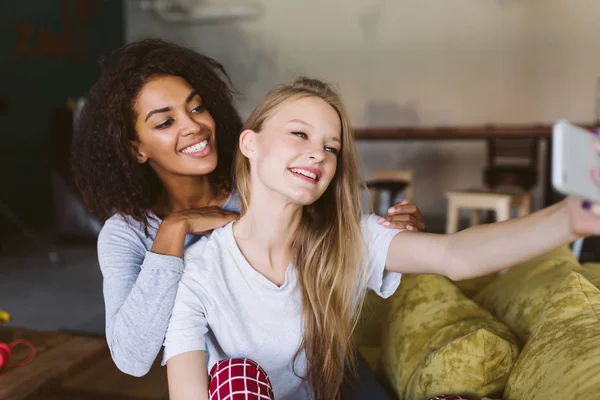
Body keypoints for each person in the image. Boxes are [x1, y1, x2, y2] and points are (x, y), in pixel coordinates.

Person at [163, 77, 600, 400]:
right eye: (299, 133)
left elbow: (456, 254)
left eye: (331, 147)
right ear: (249, 144)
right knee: (235, 380)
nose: (318, 152)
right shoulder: (197, 272)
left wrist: (572, 217)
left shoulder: (350, 240)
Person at [70, 39, 424, 387]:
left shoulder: (261, 184)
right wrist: (174, 229)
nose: (193, 126)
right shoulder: (125, 234)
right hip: (230, 386)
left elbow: (339, 237)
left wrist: (396, 234)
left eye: (195, 108)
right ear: (136, 149)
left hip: (321, 368)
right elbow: (132, 357)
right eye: (165, 123)